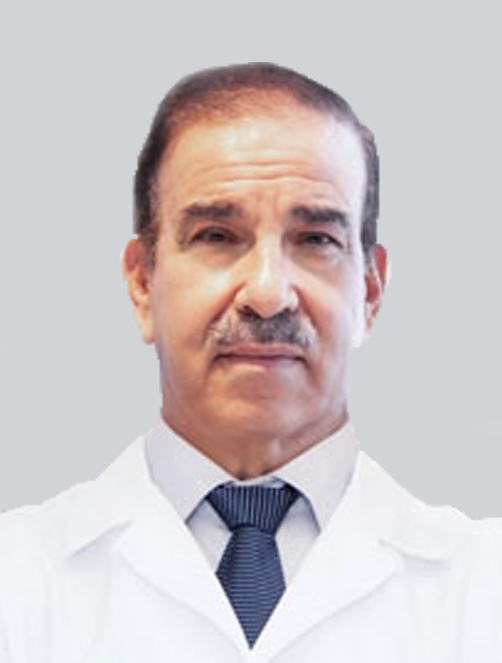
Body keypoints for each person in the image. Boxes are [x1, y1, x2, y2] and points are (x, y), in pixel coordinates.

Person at [0, 63, 501, 662]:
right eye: (216, 235)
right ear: (142, 283)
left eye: (315, 240)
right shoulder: (19, 582)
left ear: (369, 292)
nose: (268, 293)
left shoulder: (483, 589)